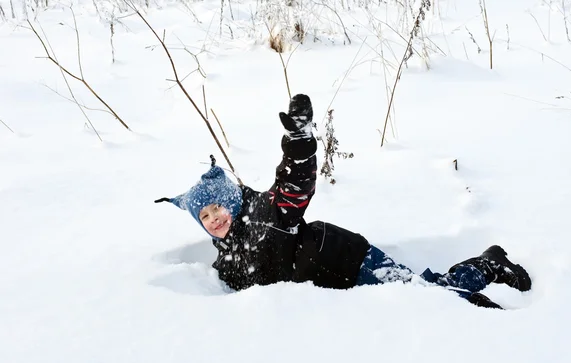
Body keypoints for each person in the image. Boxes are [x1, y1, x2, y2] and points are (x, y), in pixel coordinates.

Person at [155, 94, 531, 309]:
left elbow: (295, 185)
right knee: (431, 291)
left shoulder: (264, 211)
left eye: (218, 206)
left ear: (232, 201)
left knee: (442, 302)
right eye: (205, 215)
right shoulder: (227, 263)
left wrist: (299, 144)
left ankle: (495, 283)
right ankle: (488, 263)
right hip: (340, 293)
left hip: (351, 261)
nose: (214, 217)